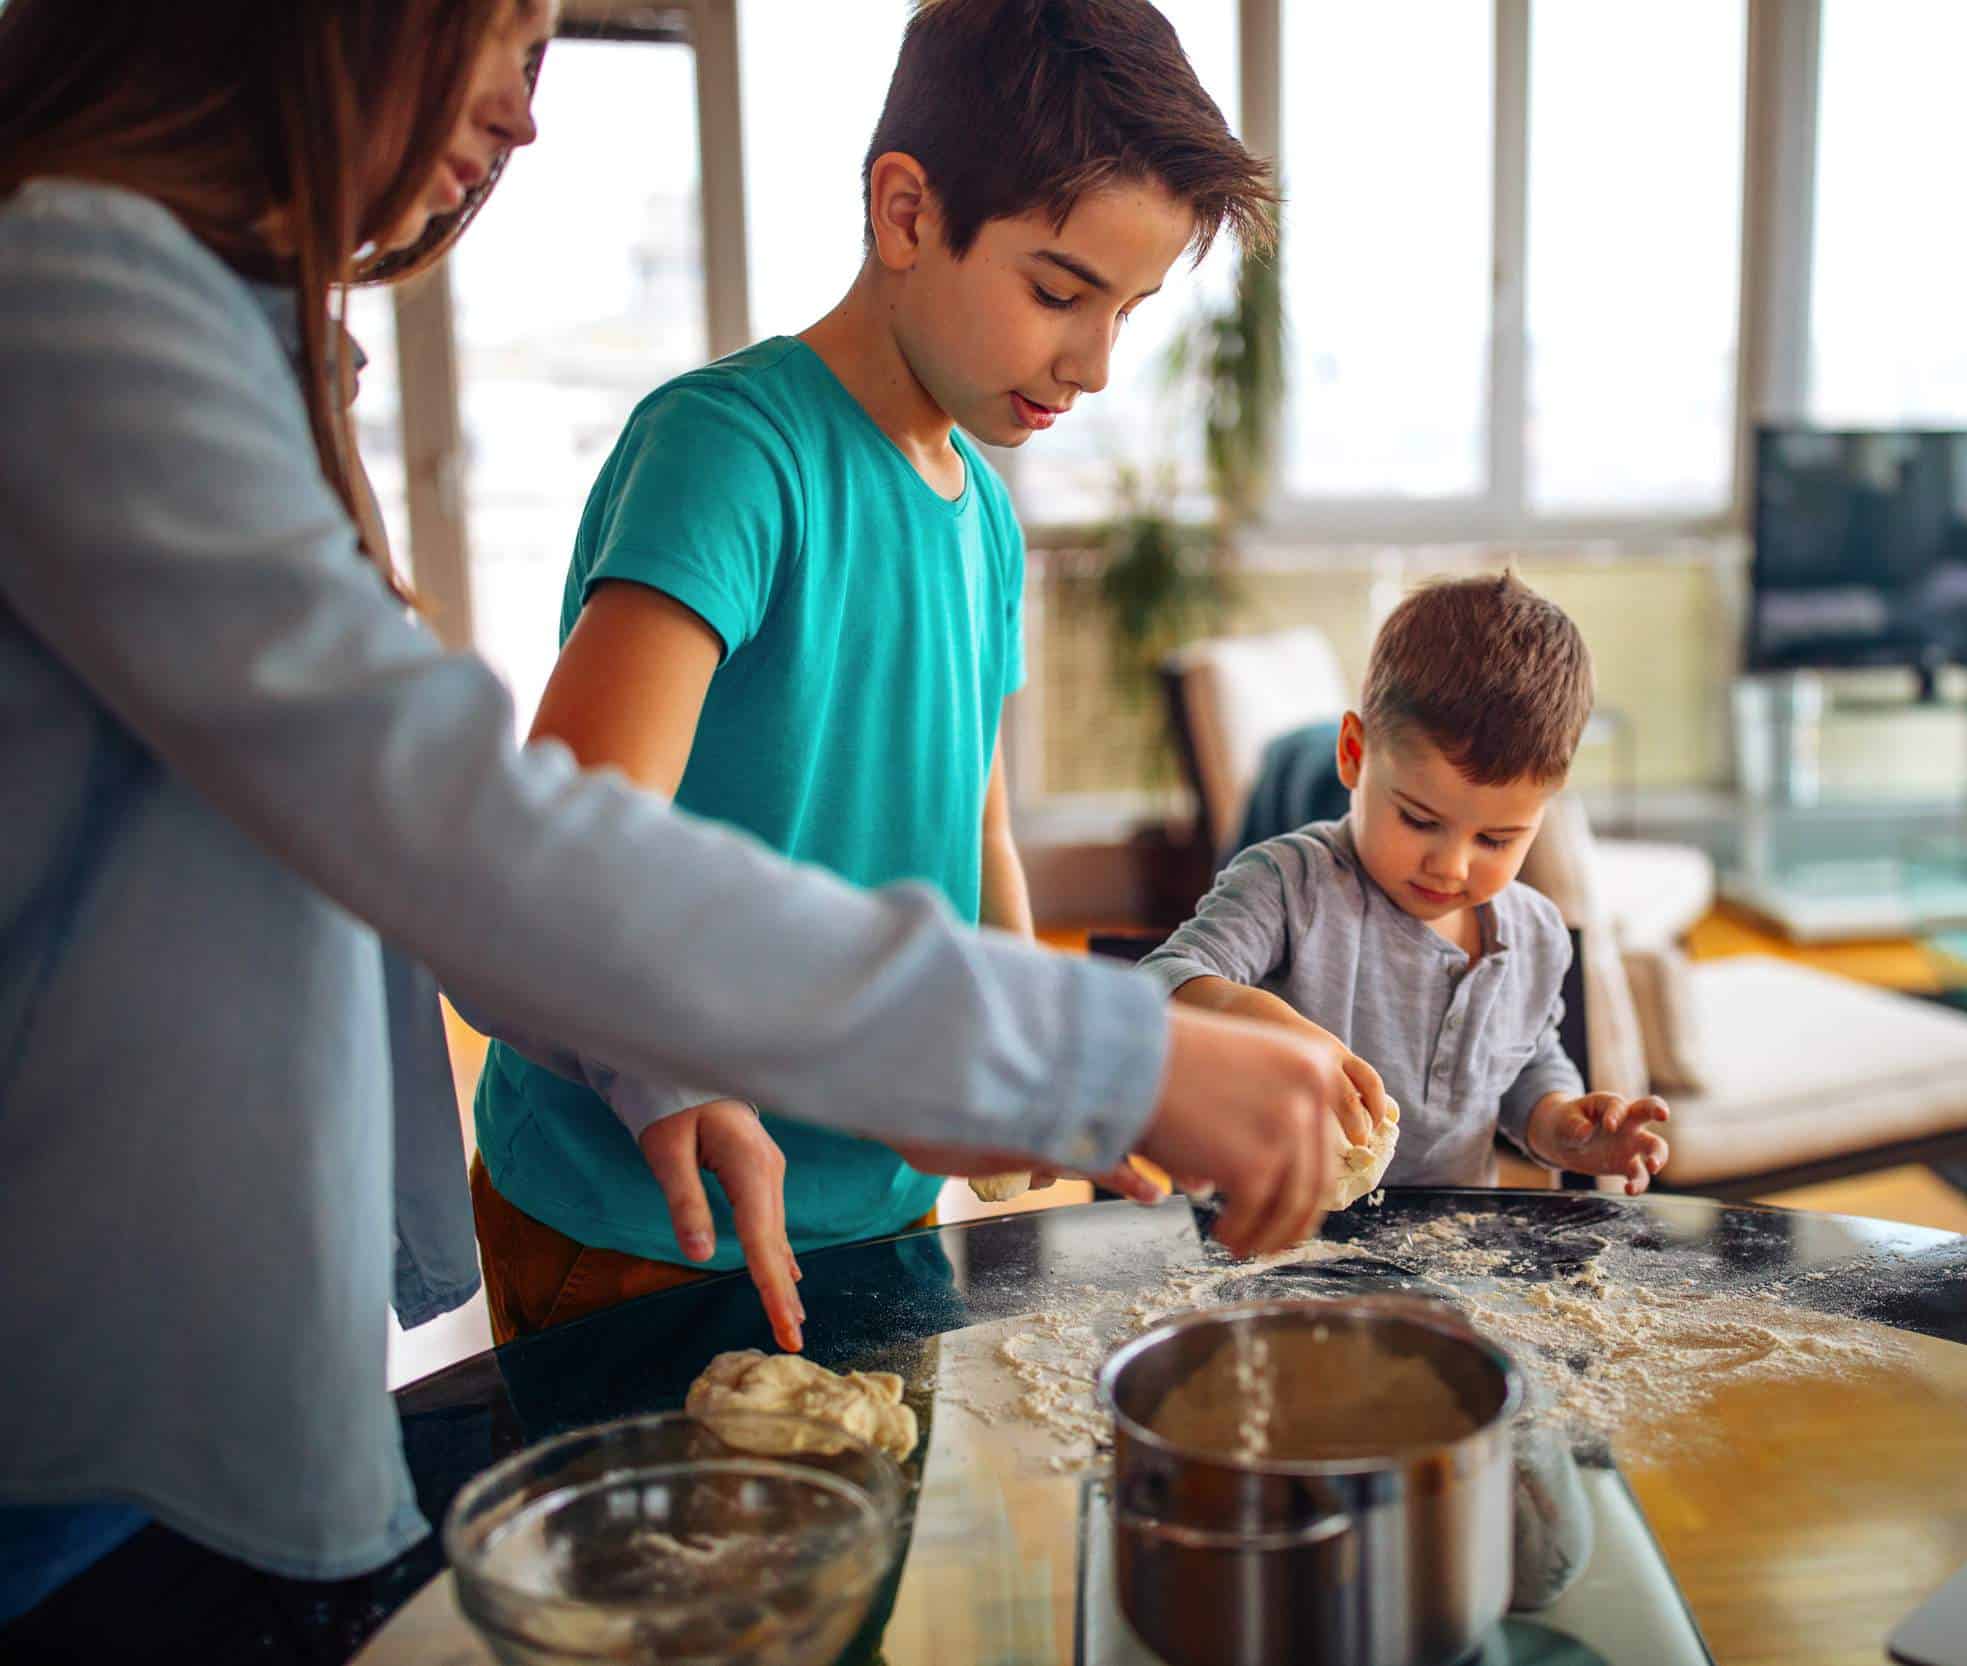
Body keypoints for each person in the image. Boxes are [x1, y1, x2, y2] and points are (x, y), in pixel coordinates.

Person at [0, 0, 1336, 1645]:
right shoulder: (82, 301)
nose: (529, 113)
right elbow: (481, 829)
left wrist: (1069, 1048)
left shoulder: (227, 324)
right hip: (341, 1278)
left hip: (706, 1223)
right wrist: (1090, 1048)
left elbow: (439, 836)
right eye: (510, 29)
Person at [467, 0, 1275, 1350]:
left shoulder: (985, 516)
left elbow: (978, 830)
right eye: (1059, 292)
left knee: (866, 1542)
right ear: (905, 214)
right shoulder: (731, 452)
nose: (1092, 362)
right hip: (645, 1213)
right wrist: (661, 1072)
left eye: (1126, 311)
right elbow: (567, 852)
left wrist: (1046, 1072)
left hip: (879, 1203)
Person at [1140, 573, 1674, 1192]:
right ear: (1353, 753)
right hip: (1271, 1233)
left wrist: (1559, 1123)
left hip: (1452, 1245)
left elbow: (1522, 1060)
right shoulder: (1290, 886)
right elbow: (1158, 981)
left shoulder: (1536, 934)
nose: (1450, 866)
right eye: (1419, 819)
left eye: (1496, 840)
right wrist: (1266, 1021)